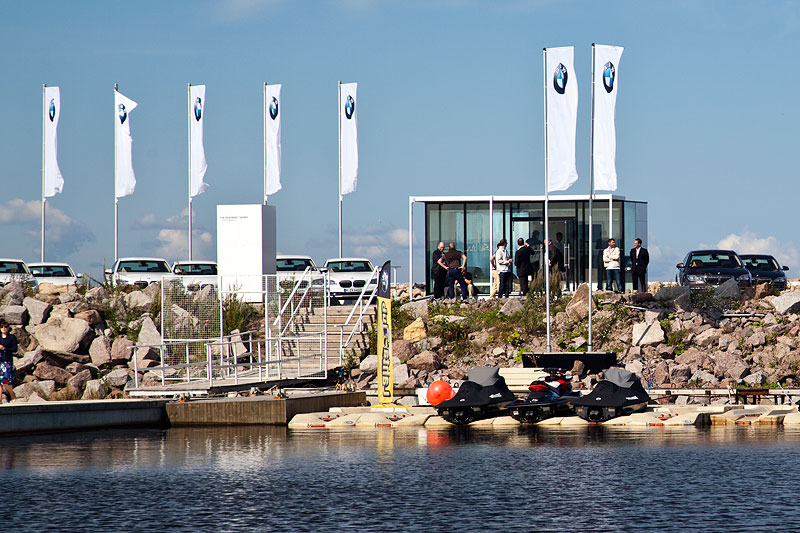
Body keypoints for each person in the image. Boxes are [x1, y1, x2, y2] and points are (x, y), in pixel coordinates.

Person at [0, 321, 17, 402]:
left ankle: (12, 396)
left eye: (5, 327)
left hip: (6, 361)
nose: (3, 328)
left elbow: (15, 349)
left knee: (6, 380)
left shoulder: (11, 337)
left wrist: (5, 349)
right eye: (2, 327)